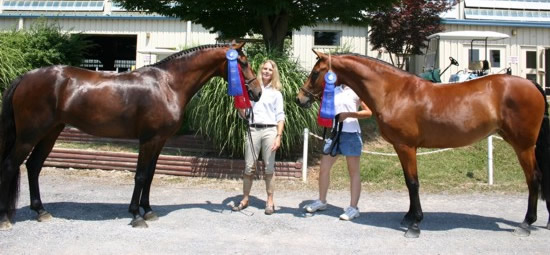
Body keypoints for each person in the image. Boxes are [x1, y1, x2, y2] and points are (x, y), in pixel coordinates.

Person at [304, 84, 371, 220]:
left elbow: (369, 112)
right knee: (323, 168)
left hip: (351, 135)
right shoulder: (333, 90)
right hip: (335, 133)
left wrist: (349, 114)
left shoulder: (356, 90)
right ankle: (322, 201)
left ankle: (353, 208)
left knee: (353, 172)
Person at [232, 60, 285, 215]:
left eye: (270, 69)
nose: (267, 71)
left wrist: (278, 136)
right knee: (249, 167)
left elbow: (280, 117)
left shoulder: (277, 93)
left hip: (270, 131)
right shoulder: (252, 89)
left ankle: (270, 201)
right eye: (264, 68)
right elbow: (245, 113)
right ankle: (245, 198)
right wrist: (240, 108)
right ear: (261, 70)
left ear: (273, 72)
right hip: (253, 129)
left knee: (269, 168)